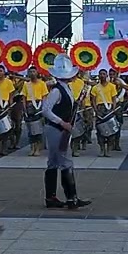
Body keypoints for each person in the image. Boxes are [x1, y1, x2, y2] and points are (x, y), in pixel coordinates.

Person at [41, 57, 91, 209]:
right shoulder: (57, 90)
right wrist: (62, 122)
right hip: (56, 129)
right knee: (65, 161)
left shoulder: (66, 88)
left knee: (54, 162)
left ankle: (52, 197)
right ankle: (71, 198)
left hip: (59, 128)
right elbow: (45, 110)